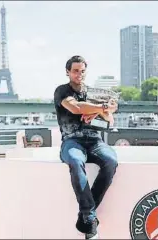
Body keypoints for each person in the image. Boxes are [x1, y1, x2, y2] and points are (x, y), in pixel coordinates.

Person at [54, 55, 118, 239]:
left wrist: (100, 109)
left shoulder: (94, 93)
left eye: (82, 71)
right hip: (72, 141)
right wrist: (100, 108)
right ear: (67, 72)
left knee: (111, 161)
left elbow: (111, 115)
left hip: (95, 141)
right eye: (75, 71)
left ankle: (86, 216)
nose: (79, 74)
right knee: (75, 161)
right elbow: (76, 108)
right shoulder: (61, 91)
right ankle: (90, 220)